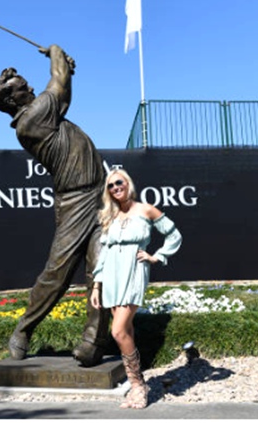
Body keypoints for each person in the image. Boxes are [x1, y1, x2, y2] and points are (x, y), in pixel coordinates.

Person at [0, 44, 111, 366]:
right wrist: (56, 52)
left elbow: (64, 92)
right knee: (56, 274)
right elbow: (58, 82)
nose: (29, 87)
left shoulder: (45, 112)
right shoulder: (31, 119)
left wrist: (65, 67)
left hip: (100, 198)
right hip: (75, 201)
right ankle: (22, 332)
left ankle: (93, 342)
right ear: (12, 100)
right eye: (21, 87)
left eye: (28, 83)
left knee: (101, 269)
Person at [90, 168, 183, 409]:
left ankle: (139, 385)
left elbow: (174, 235)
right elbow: (104, 253)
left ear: (127, 183)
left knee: (118, 331)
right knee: (126, 332)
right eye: (110, 186)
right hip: (111, 275)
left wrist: (157, 257)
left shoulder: (146, 209)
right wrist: (96, 286)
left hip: (133, 272)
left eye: (118, 183)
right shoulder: (109, 216)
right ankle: (135, 384)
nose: (115, 188)